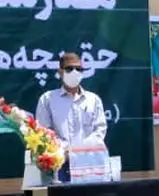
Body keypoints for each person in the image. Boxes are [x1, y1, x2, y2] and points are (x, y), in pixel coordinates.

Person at [35, 52, 109, 183]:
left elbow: (99, 130)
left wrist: (79, 152)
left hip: (89, 163)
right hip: (61, 165)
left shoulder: (93, 100)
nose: (75, 72)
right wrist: (64, 151)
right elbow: (44, 132)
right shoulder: (47, 99)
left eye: (79, 69)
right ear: (60, 72)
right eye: (69, 69)